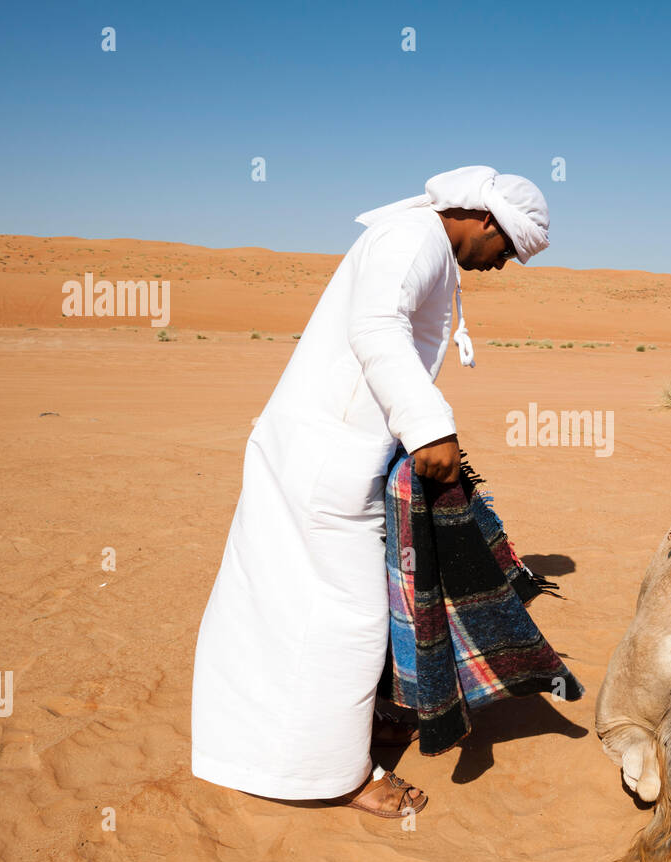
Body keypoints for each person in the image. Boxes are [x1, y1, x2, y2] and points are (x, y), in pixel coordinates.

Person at [190, 165, 550, 816]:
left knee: (284, 602)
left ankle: (255, 751)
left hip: (320, 450)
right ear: (487, 220)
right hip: (325, 460)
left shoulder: (421, 242)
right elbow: (377, 326)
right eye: (508, 249)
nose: (504, 263)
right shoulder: (412, 238)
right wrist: (430, 428)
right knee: (352, 620)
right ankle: (343, 776)